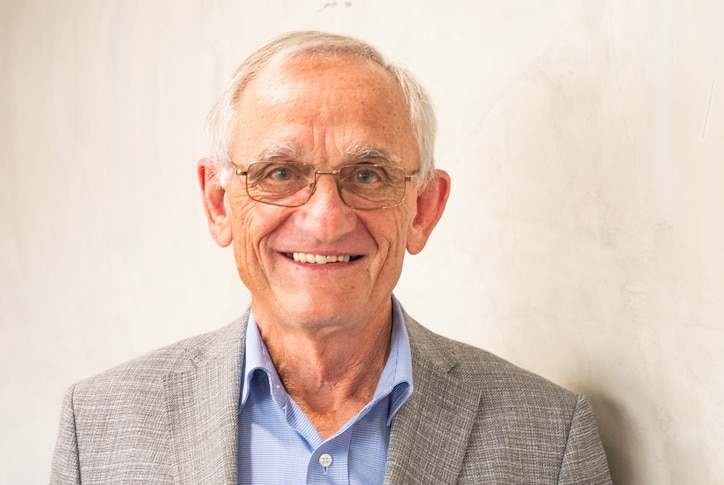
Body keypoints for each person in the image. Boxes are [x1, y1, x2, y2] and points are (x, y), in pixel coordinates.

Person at [50, 31, 612, 484]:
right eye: (279, 173)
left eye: (366, 175)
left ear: (422, 209)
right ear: (219, 203)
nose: (325, 219)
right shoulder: (97, 429)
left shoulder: (550, 438)